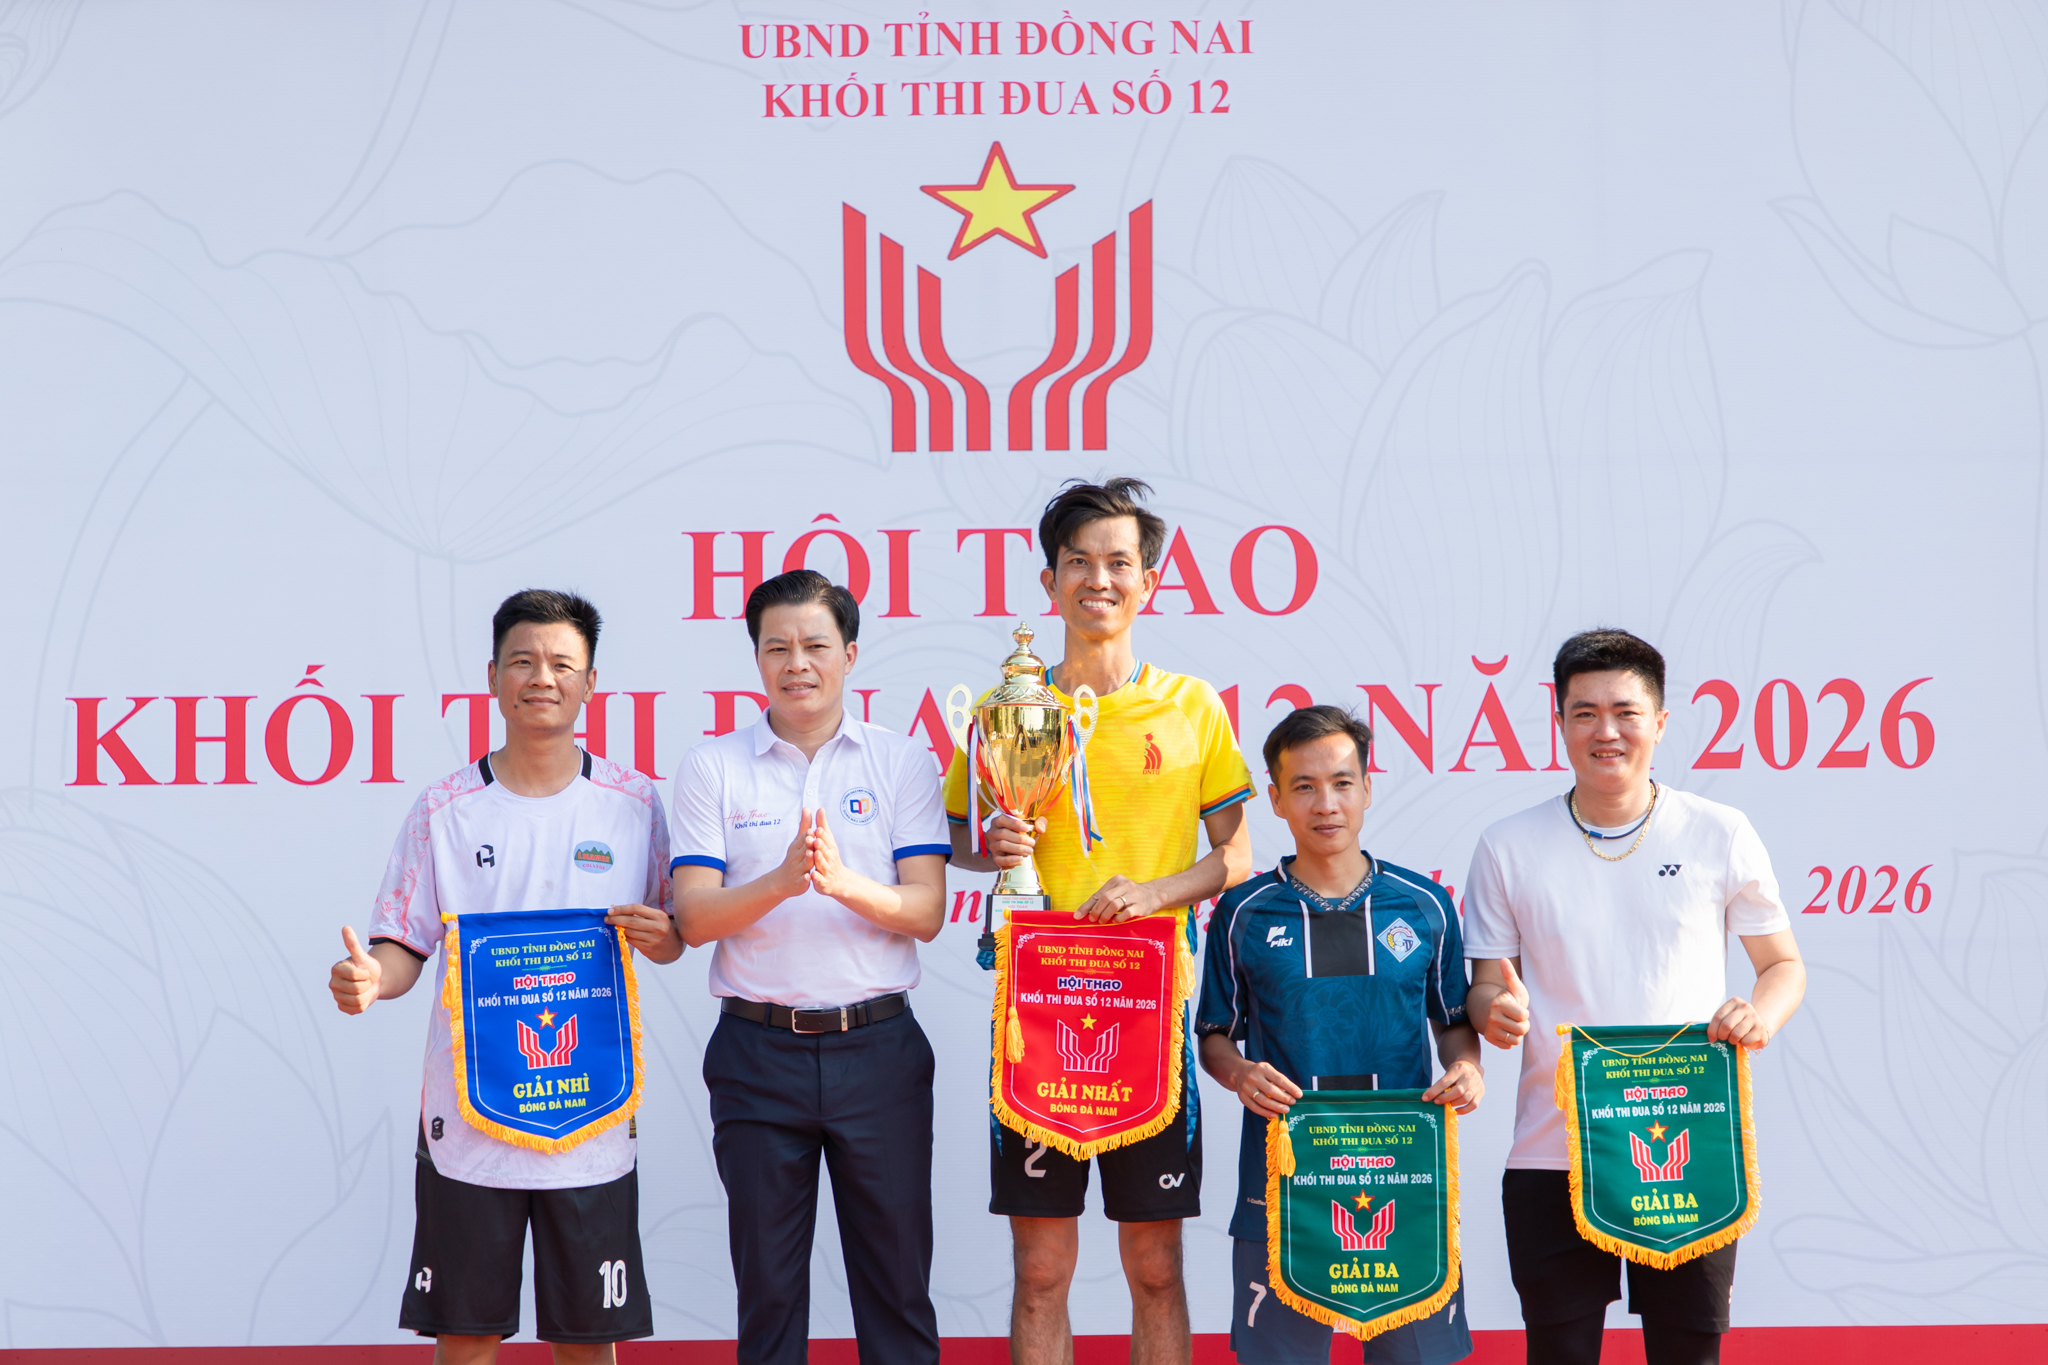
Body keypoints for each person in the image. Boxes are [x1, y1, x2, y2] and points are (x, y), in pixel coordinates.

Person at [946, 477, 1256, 1365]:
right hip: (1037, 1015)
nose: (1099, 579)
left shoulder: (1191, 705)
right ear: (1050, 582)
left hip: (1150, 1013)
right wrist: (993, 843)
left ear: (1148, 582)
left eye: (1119, 562)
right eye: (1078, 562)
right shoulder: (1009, 708)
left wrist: (1155, 892)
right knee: (1041, 1269)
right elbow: (960, 839)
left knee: (1155, 1267)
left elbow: (1235, 855)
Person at [328, 589, 682, 1365]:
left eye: (562, 663)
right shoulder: (445, 809)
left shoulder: (634, 803)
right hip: (470, 1117)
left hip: (587, 1115)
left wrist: (667, 939)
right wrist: (371, 977)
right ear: (492, 677)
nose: (542, 677)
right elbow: (403, 946)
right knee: (467, 1337)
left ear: (591, 682)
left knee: (587, 1342)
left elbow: (669, 933)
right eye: (522, 661)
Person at [1462, 629, 1806, 1365]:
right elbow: (1488, 983)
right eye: (1585, 713)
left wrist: (1759, 1013)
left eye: (1625, 712)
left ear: (1660, 721)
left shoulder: (1719, 831)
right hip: (1553, 1149)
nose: (1606, 731)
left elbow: (1783, 966)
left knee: (1688, 1353)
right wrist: (1493, 1010)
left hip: (1687, 1142)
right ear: (1559, 722)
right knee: (1560, 1352)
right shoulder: (1507, 845)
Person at [668, 568, 949, 1365]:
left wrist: (841, 882)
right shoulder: (714, 765)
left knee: (897, 1290)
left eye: (816, 645)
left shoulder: (901, 759)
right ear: (757, 658)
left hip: (879, 1049)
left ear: (849, 654)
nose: (797, 663)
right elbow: (695, 916)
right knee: (769, 1294)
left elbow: (925, 910)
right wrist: (782, 881)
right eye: (777, 647)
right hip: (757, 1055)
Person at [1199, 704, 1483, 1365]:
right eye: (1304, 786)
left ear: (1367, 789)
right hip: (1282, 1181)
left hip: (1402, 1176)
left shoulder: (1424, 904)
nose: (1325, 803)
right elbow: (1213, 1034)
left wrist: (1467, 1067)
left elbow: (1453, 1022)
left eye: (1342, 783)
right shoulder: (1242, 912)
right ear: (1275, 799)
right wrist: (1239, 1073)